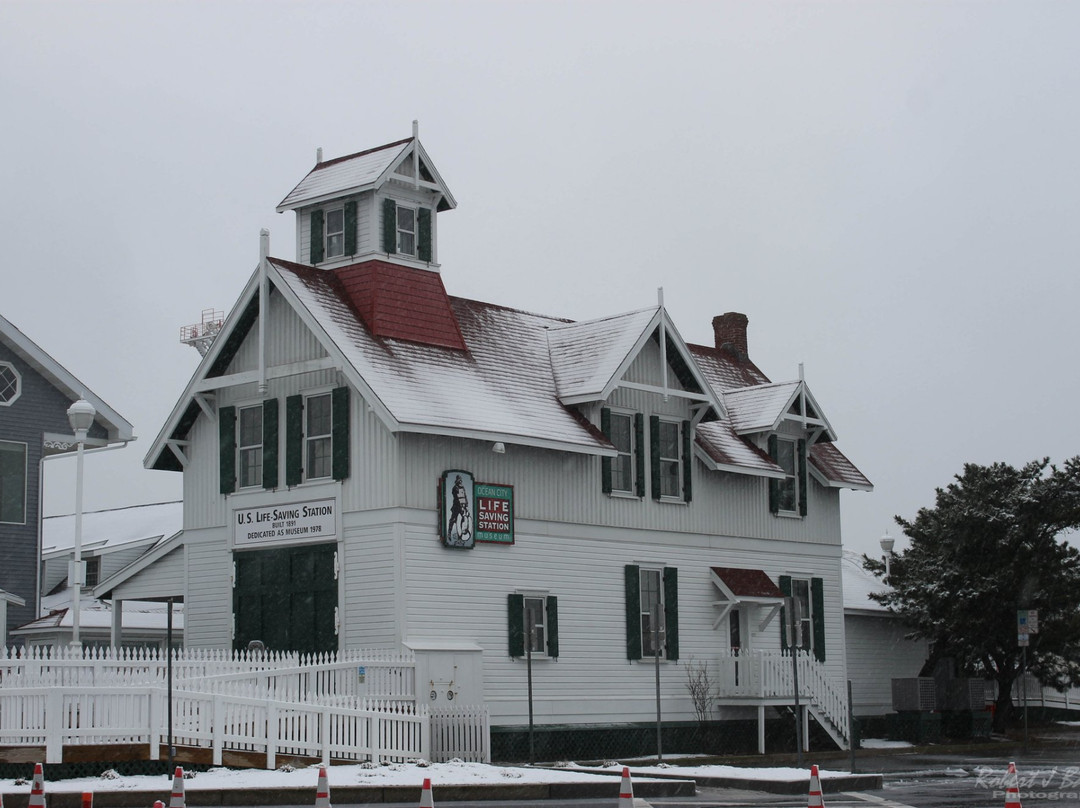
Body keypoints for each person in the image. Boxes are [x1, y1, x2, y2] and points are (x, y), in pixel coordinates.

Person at [448, 474, 472, 544]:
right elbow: (457, 498)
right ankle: (449, 533)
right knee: (453, 519)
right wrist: (460, 506)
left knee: (463, 521)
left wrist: (466, 505)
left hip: (463, 506)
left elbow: (464, 496)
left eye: (461, 480)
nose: (460, 481)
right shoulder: (455, 488)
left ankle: (460, 536)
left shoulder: (462, 488)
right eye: (459, 480)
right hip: (456, 507)